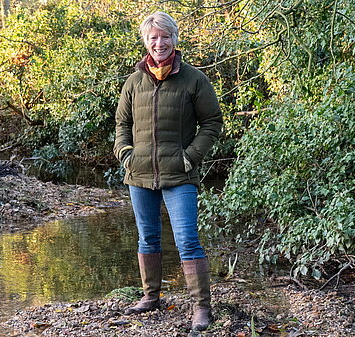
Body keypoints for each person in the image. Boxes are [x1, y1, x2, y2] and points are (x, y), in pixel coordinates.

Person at [113, 11, 223, 332]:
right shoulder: (133, 82)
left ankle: (202, 307)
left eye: (164, 37)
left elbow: (212, 122)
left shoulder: (193, 79)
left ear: (174, 39)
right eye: (152, 37)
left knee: (187, 240)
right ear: (146, 42)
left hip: (180, 175)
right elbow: (122, 124)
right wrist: (125, 154)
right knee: (147, 238)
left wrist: (190, 157)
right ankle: (151, 297)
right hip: (139, 174)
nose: (158, 43)